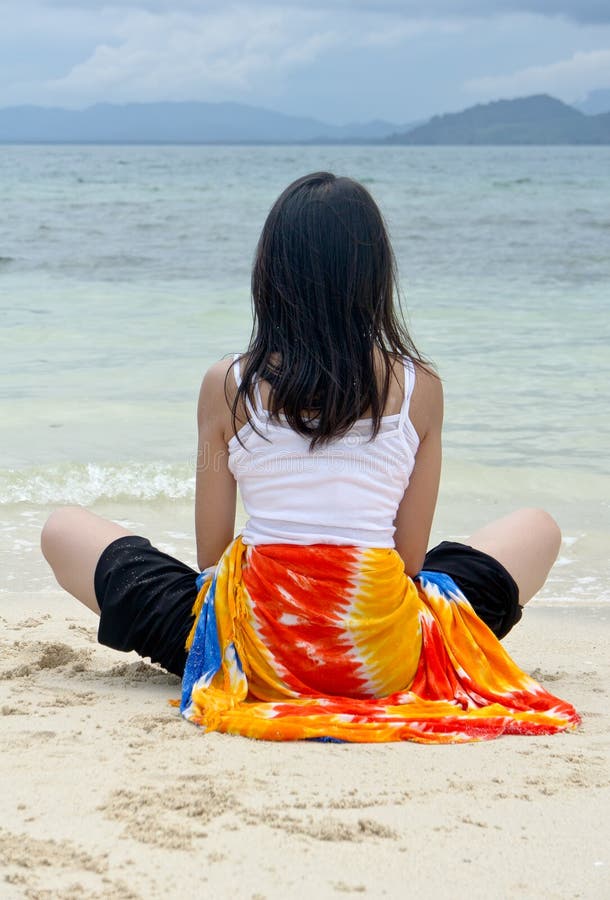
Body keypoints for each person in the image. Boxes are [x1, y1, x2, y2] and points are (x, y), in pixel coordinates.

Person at [41, 172, 578, 743]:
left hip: (257, 656)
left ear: (271, 273)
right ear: (374, 277)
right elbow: (409, 560)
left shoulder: (227, 383)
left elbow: (211, 559)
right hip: (383, 658)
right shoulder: (420, 387)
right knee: (535, 529)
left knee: (63, 529)